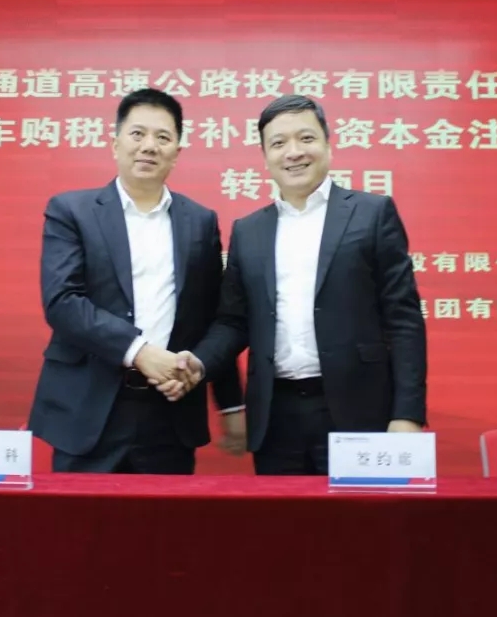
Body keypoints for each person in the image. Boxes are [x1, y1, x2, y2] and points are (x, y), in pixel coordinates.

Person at [162, 94, 428, 476]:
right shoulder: (249, 231)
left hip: (361, 413)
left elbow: (403, 320)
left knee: (367, 515)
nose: (293, 152)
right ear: (265, 156)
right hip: (276, 418)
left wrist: (407, 414)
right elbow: (233, 322)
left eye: (306, 138)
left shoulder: (372, 213)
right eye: (278, 143)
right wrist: (199, 362)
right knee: (284, 516)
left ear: (327, 144)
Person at [27, 88, 245, 474]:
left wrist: (230, 403)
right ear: (115, 144)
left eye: (163, 137)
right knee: (80, 514)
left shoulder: (200, 222)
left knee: (162, 515)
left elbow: (216, 315)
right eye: (137, 134)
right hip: (89, 409)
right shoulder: (71, 211)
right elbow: (62, 301)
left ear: (177, 151)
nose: (149, 146)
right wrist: (140, 352)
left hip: (170, 410)